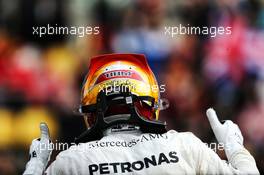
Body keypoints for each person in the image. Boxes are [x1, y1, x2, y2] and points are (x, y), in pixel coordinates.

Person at [23, 54, 259, 175]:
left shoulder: (71, 162)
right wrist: (234, 146)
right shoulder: (185, 145)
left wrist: (36, 164)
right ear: (150, 103)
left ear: (91, 111)